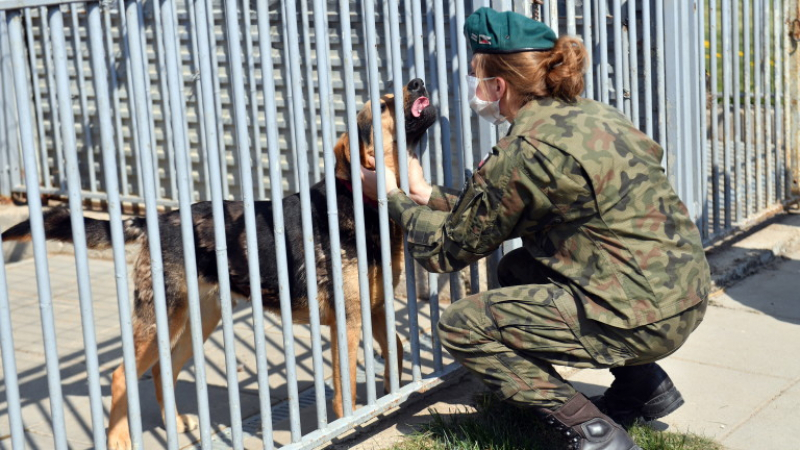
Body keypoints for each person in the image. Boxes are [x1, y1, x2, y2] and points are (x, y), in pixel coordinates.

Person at [360, 7, 709, 450]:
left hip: (640, 318)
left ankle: (595, 435)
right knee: (520, 269)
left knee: (463, 324)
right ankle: (643, 385)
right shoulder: (592, 115)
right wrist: (426, 193)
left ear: (498, 84)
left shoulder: (525, 147)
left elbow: (446, 252)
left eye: (475, 76)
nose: (474, 88)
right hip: (683, 295)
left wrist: (389, 194)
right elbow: (501, 208)